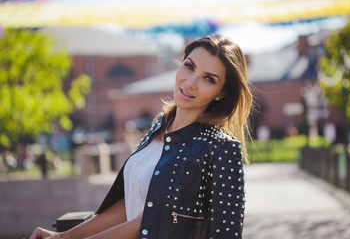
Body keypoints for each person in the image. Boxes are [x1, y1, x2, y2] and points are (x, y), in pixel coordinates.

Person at [29, 33, 253, 239]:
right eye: (189, 66)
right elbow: (131, 204)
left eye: (208, 79)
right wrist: (63, 236)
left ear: (222, 92)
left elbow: (147, 221)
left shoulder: (222, 148)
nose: (190, 82)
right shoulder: (159, 128)